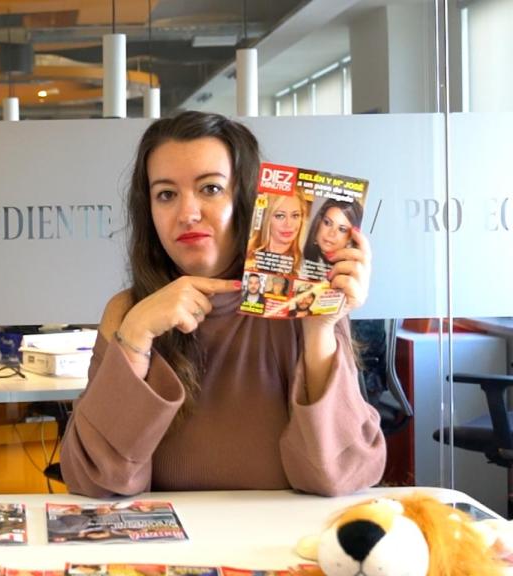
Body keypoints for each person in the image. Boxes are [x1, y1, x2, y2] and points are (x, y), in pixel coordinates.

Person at [59, 111, 385, 497]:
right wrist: (135, 336)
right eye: (166, 194)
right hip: (170, 552)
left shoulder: (305, 302)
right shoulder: (128, 311)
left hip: (277, 548)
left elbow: (339, 476)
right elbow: (94, 480)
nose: (188, 213)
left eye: (210, 189)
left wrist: (318, 331)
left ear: (247, 198)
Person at [245, 188, 307, 275]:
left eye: (295, 215)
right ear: (265, 219)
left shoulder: (306, 267)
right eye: (280, 216)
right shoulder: (244, 255)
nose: (289, 224)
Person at [303, 198, 363, 271]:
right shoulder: (297, 261)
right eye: (327, 223)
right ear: (318, 223)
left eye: (342, 229)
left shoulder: (351, 272)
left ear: (350, 239)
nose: (331, 233)